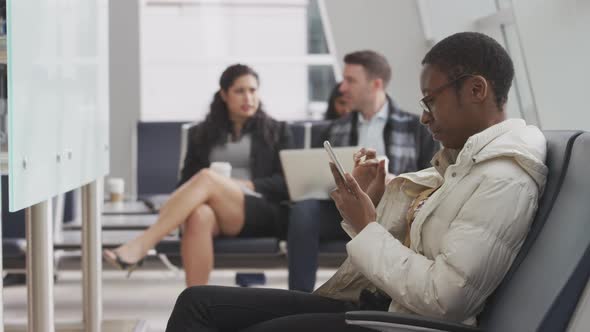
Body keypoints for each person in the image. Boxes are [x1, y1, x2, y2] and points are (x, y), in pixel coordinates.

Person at [165, 32, 548, 331]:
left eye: (431, 100)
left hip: (399, 320)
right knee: (195, 303)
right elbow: (424, 244)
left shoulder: (502, 178)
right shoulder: (463, 163)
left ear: (477, 90)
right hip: (383, 299)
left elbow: (444, 298)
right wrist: (376, 201)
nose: (425, 117)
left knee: (236, 322)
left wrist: (366, 225)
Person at [104, 64, 294, 286]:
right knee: (198, 216)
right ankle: (196, 305)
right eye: (240, 91)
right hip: (216, 212)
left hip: (261, 210)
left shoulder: (278, 131)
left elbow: (287, 182)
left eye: (253, 90)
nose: (248, 98)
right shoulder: (201, 134)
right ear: (224, 94)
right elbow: (186, 182)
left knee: (207, 177)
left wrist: (242, 184)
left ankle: (141, 245)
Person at [288, 50, 438, 292]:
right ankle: (298, 296)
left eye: (350, 80)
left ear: (375, 84)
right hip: (345, 206)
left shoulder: (416, 127)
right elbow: (319, 177)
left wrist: (392, 181)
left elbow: (433, 180)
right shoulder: (334, 129)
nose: (342, 87)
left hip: (396, 208)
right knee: (304, 211)